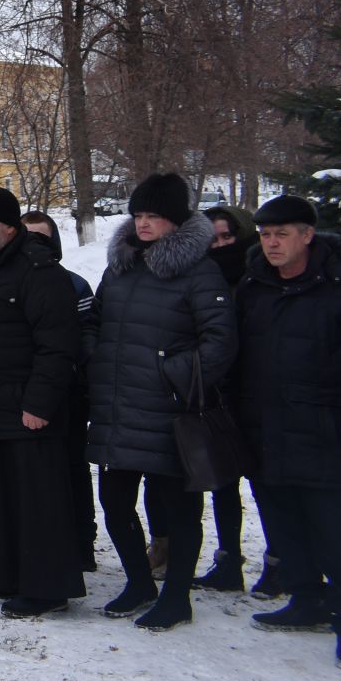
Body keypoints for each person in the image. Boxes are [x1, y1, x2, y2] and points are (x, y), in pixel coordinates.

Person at [85, 173, 234, 630]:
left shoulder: (199, 271)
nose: (144, 224)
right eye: (140, 215)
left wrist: (177, 379)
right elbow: (95, 319)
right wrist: (95, 357)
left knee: (177, 509)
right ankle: (138, 581)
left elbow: (220, 339)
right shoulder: (121, 266)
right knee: (114, 500)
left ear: (176, 221)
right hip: (118, 407)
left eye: (155, 217)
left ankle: (176, 597)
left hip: (170, 414)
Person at [0, 186, 84, 618]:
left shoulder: (38, 271)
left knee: (37, 502)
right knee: (2, 499)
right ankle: (6, 576)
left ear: (9, 228)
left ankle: (46, 588)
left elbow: (57, 345)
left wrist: (40, 403)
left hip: (29, 409)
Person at [235, 194, 341, 669]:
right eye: (265, 234)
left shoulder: (340, 287)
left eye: (282, 234)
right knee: (283, 524)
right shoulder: (255, 286)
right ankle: (307, 598)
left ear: (308, 235)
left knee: (336, 533)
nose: (272, 243)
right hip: (265, 429)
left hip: (324, 430)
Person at [22, 209, 100, 573]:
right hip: (22, 393)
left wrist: (72, 370)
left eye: (42, 237)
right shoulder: (8, 283)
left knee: (73, 467)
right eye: (28, 237)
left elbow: (88, 334)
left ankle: (83, 542)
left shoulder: (75, 285)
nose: (35, 244)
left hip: (68, 391)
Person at [194, 202, 267, 594]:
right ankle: (228, 560)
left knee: (264, 482)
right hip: (218, 394)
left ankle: (279, 562)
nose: (221, 245)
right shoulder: (203, 279)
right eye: (213, 239)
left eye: (228, 236)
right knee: (223, 483)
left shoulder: (257, 279)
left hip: (257, 393)